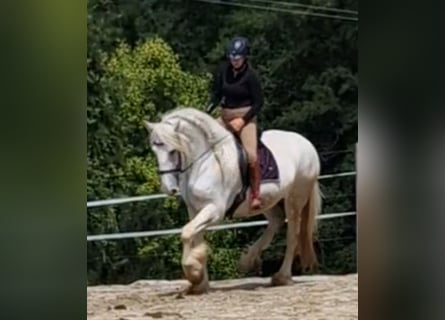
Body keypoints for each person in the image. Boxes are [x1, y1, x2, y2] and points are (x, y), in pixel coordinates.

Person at [206, 36, 264, 210]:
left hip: (245, 117)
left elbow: (259, 103)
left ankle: (255, 194)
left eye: (237, 58)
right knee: (206, 141)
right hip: (225, 115)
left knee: (251, 157)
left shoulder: (251, 76)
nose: (234, 61)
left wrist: (243, 120)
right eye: (232, 57)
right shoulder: (223, 71)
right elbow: (217, 95)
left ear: (245, 57)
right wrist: (206, 113)